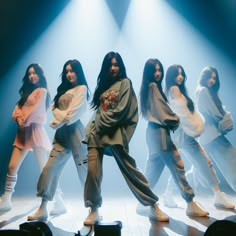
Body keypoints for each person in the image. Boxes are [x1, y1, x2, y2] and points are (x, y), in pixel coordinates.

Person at [82, 52, 169, 226]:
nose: (113, 68)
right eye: (110, 65)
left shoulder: (125, 83)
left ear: (121, 66)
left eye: (116, 65)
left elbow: (121, 111)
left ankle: (153, 204)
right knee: (92, 172)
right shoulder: (103, 86)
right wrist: (94, 126)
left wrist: (101, 122)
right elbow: (98, 111)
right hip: (95, 134)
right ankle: (93, 209)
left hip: (114, 133)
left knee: (131, 170)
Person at [137, 59, 209, 218]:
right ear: (149, 72)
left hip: (152, 132)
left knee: (153, 171)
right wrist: (176, 120)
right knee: (177, 166)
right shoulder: (153, 87)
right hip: (160, 132)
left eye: (159, 70)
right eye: (154, 70)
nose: (158, 73)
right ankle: (190, 203)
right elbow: (163, 112)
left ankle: (142, 202)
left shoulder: (148, 87)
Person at [163, 64, 234, 209]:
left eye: (181, 73)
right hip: (184, 135)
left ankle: (168, 193)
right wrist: (197, 128)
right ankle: (217, 196)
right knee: (202, 162)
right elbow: (183, 114)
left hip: (186, 135)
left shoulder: (177, 90)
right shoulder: (174, 90)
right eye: (177, 74)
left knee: (197, 166)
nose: (180, 77)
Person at [27, 59, 89, 221]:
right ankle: (43, 207)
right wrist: (61, 119)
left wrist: (58, 121)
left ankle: (93, 208)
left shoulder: (82, 89)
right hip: (61, 135)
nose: (69, 74)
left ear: (78, 72)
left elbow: (73, 114)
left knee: (84, 171)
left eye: (72, 71)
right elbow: (54, 108)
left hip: (76, 133)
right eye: (66, 71)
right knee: (49, 169)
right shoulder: (63, 90)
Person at [0, 63, 64, 214]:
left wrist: (24, 119)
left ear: (40, 75)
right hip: (23, 133)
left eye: (34, 73)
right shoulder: (27, 92)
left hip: (35, 131)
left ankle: (59, 200)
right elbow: (17, 109)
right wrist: (19, 119)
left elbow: (37, 111)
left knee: (45, 169)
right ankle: (7, 199)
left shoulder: (41, 91)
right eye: (29, 74)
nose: (31, 76)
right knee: (11, 167)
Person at [196, 66, 236, 194]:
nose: (212, 80)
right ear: (204, 77)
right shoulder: (203, 91)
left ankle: (170, 191)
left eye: (214, 78)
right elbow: (216, 113)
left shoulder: (202, 91)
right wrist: (227, 118)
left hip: (207, 136)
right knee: (232, 163)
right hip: (213, 135)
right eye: (209, 77)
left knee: (199, 168)